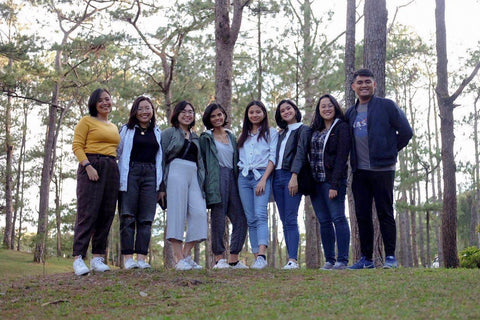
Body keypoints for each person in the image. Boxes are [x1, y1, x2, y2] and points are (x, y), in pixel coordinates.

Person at [345, 68, 413, 269]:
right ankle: (367, 259)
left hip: (383, 169)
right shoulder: (350, 113)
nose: (364, 85)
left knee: (385, 212)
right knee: (362, 215)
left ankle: (390, 257)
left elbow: (406, 132)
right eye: (360, 82)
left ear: (374, 85)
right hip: (360, 172)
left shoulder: (387, 106)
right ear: (353, 87)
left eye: (367, 82)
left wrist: (390, 152)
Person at [72, 88, 120, 276]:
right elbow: (77, 146)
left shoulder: (114, 126)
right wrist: (87, 166)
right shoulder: (86, 121)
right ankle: (78, 257)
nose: (105, 103)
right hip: (92, 165)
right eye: (100, 100)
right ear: (94, 103)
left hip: (111, 167)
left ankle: (98, 257)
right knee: (87, 213)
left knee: (106, 213)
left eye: (107, 99)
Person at [199, 103, 248, 269]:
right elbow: (203, 163)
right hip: (216, 178)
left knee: (241, 218)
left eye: (219, 115)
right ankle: (219, 258)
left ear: (224, 116)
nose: (217, 118)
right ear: (208, 119)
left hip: (233, 177)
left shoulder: (232, 136)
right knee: (218, 219)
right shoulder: (206, 137)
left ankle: (234, 258)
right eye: (213, 116)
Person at [159, 101, 207, 271]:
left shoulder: (196, 137)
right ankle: (178, 259)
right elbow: (161, 160)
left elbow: (201, 162)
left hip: (194, 174)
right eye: (184, 112)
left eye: (191, 112)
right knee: (176, 214)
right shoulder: (168, 133)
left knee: (200, 213)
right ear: (177, 114)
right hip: (175, 171)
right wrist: (161, 186)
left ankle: (186, 255)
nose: (188, 115)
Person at [306, 94, 351, 270]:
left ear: (335, 107)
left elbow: (342, 157)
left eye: (330, 105)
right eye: (323, 106)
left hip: (332, 182)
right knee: (324, 221)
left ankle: (342, 260)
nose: (326, 109)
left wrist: (334, 185)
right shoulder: (315, 130)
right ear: (318, 110)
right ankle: (330, 260)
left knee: (338, 218)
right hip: (315, 183)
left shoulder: (341, 127)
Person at [117, 96, 162, 270]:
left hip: (151, 175)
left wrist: (161, 185)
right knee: (128, 216)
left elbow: (160, 159)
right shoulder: (126, 130)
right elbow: (118, 153)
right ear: (135, 112)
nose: (144, 112)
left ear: (152, 111)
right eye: (141, 108)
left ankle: (142, 258)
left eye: (147, 108)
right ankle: (128, 258)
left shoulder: (157, 132)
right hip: (131, 173)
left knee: (146, 218)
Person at [237, 100, 278, 269]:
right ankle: (256, 258)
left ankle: (262, 255)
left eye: (258, 112)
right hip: (244, 177)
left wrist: (263, 179)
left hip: (261, 175)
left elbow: (272, 157)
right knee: (251, 218)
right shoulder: (243, 135)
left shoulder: (271, 133)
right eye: (251, 112)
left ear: (264, 113)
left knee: (261, 214)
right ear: (247, 115)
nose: (254, 115)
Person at [272, 99, 310, 270]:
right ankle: (289, 259)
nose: (286, 112)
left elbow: (301, 154)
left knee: (291, 218)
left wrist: (294, 176)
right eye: (282, 111)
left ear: (295, 110)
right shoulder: (281, 133)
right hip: (276, 177)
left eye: (288, 108)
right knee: (283, 220)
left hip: (291, 175)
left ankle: (293, 260)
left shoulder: (303, 129)